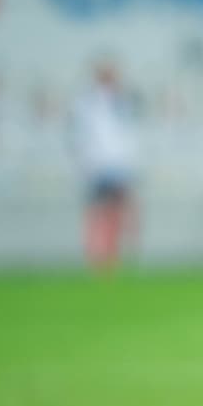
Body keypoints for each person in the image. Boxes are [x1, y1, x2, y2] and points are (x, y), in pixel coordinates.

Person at [68, 58, 139, 270]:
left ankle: (113, 255)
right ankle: (94, 256)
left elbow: (128, 135)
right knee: (96, 211)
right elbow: (81, 135)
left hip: (118, 164)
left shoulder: (124, 101)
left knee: (117, 212)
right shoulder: (86, 101)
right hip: (96, 164)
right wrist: (84, 162)